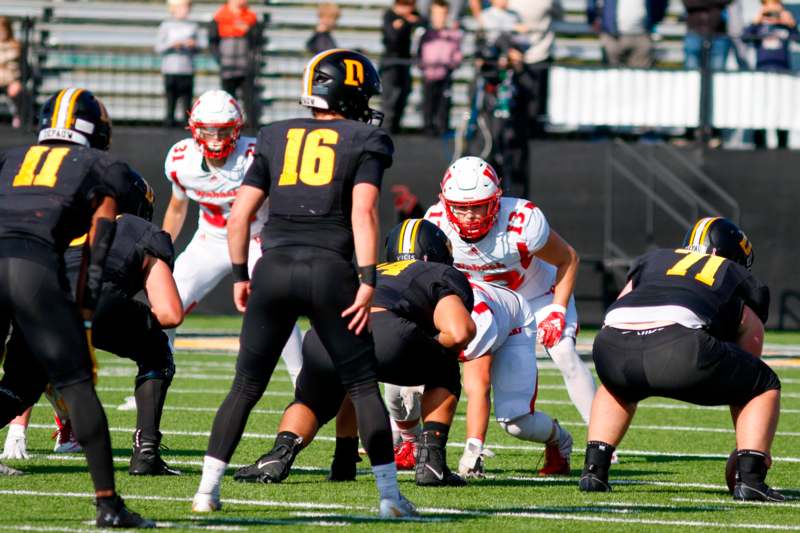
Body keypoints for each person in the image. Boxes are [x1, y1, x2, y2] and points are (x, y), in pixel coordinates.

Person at [191, 49, 417, 518]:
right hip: (329, 269)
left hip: (271, 268)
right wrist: (369, 279)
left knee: (244, 387)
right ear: (349, 91)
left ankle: (206, 492)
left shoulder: (273, 135)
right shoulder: (364, 139)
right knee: (361, 387)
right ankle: (391, 499)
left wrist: (239, 274)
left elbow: (239, 216)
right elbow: (364, 212)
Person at [0, 88, 153, 527]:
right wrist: (84, 305)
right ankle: (108, 504)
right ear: (96, 130)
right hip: (32, 267)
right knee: (77, 384)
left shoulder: (12, 158)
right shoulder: (100, 165)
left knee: (16, 382)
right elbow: (99, 241)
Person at [233, 219, 475, 487]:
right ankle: (432, 463)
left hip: (323, 338)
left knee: (312, 400)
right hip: (390, 335)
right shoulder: (438, 272)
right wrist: (431, 348)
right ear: (436, 251)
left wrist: (344, 460)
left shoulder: (370, 272)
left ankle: (278, 456)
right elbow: (459, 331)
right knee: (446, 367)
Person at [579, 217, 783, 503]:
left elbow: (618, 310)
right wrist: (751, 448)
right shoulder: (734, 274)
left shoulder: (653, 260)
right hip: (678, 348)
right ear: (733, 256)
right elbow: (749, 349)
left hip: (610, 345)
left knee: (617, 386)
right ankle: (751, 479)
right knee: (762, 384)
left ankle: (594, 471)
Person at [421, 156, 592, 474]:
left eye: (479, 206)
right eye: (461, 206)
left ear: (496, 202)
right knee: (421, 354)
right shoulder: (435, 224)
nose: (470, 215)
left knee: (565, 351)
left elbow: (568, 259)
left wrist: (557, 309)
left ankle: (600, 441)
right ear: (445, 204)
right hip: (485, 308)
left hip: (537, 298)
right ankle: (405, 438)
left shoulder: (522, 221)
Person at [1, 202, 185, 478]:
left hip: (37, 301)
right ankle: (146, 453)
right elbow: (171, 314)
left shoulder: (64, 226)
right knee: (157, 350)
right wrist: (136, 318)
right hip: (95, 299)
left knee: (20, 387)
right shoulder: (140, 229)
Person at [162, 89, 303, 384]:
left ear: (236, 129)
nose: (215, 138)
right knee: (166, 304)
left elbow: (283, 201)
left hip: (255, 239)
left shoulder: (256, 156)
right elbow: (177, 208)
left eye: (223, 131)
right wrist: (161, 249)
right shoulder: (180, 160)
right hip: (210, 240)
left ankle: (301, 379)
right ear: (195, 130)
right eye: (208, 131)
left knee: (277, 304)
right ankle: (156, 374)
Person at [744, 0, 798, 148]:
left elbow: (797, 39)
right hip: (762, 73)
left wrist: (791, 25)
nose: (772, 13)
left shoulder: (785, 26)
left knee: (782, 107)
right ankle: (759, 143)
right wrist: (757, 21)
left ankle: (782, 144)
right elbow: (745, 38)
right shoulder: (759, 26)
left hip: (782, 73)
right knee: (761, 107)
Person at [209, 0, 262, 126]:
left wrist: (248, 31)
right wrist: (219, 59)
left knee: (248, 97)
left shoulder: (251, 17)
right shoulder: (219, 17)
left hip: (245, 66)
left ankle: (251, 126)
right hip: (227, 65)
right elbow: (212, 40)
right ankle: (229, 124)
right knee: (228, 98)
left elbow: (258, 39)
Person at [418, 0, 463, 136]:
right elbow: (419, 52)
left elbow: (457, 53)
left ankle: (443, 126)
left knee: (444, 103)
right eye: (436, 14)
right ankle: (428, 126)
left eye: (442, 14)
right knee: (428, 102)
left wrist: (453, 64)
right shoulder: (425, 33)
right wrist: (423, 65)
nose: (439, 17)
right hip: (429, 74)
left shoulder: (453, 34)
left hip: (445, 74)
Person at [155, 0, 201, 128]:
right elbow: (159, 47)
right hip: (170, 69)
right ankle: (169, 123)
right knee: (171, 99)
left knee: (187, 100)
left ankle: (187, 125)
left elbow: (199, 48)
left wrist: (193, 45)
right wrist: (172, 45)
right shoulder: (166, 25)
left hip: (187, 69)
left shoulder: (193, 26)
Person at [587, 0, 668, 68]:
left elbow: (660, 3)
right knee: (611, 80)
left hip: (642, 36)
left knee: (640, 80)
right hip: (612, 36)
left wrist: (654, 20)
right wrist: (593, 18)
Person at [381, 0, 421, 134]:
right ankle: (387, 128)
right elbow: (392, 38)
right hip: (391, 62)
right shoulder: (389, 16)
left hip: (404, 62)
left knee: (404, 94)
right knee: (390, 97)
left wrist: (408, 21)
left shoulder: (412, 16)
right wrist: (404, 22)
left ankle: (396, 126)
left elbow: (423, 22)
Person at [0, 17, 26, 129]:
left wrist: (18, 82)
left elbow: (24, 68)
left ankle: (21, 119)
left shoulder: (16, 46)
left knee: (18, 92)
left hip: (10, 81)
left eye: (3, 30)